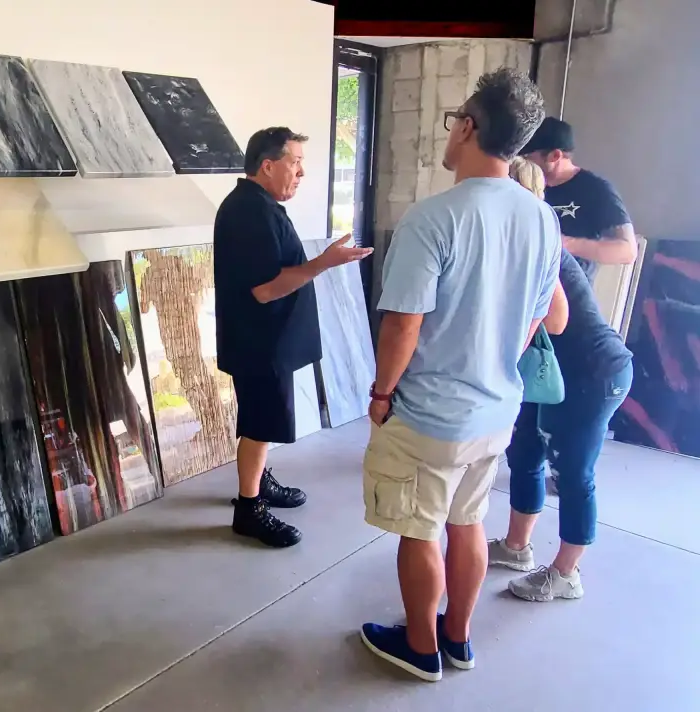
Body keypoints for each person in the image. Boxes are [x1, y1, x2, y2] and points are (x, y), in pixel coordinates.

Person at [359, 69, 560, 682]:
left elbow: (402, 328)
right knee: (468, 522)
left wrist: (382, 392)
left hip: (428, 415)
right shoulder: (541, 219)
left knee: (418, 530)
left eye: (454, 121)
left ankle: (420, 649)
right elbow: (534, 321)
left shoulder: (433, 218)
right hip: (497, 410)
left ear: (468, 127)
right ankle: (459, 638)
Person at [213, 127, 372, 548]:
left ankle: (258, 481)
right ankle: (249, 509)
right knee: (261, 423)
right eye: (295, 162)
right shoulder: (251, 212)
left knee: (260, 421)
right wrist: (325, 262)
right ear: (268, 165)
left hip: (263, 341)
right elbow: (265, 288)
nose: (302, 172)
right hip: (260, 344)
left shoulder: (256, 205)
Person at [488, 158, 634, 602]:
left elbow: (553, 320)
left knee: (573, 473)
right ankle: (517, 547)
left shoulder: (540, 246)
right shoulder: (512, 246)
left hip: (594, 372)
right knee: (525, 451)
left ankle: (566, 573)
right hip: (550, 374)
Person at [520, 117, 637, 284]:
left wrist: (564, 243)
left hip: (567, 290)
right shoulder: (525, 182)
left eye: (528, 157)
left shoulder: (596, 189)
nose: (524, 162)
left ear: (555, 156)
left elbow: (627, 251)